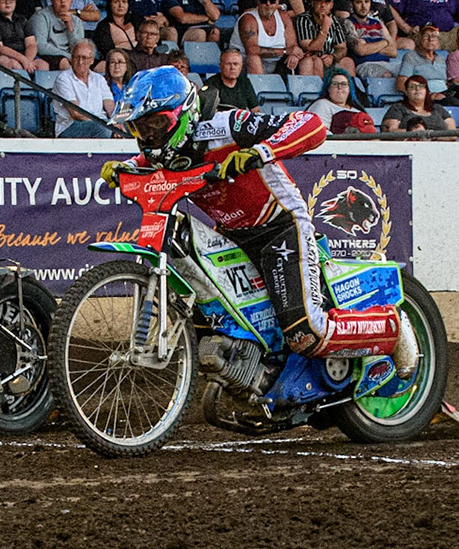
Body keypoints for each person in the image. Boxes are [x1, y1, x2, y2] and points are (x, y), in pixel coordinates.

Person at [101, 66, 415, 370]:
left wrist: (260, 152)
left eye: (156, 124)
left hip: (280, 227)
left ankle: (392, 327)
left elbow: (312, 125)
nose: (149, 135)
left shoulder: (227, 125)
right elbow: (145, 161)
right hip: (231, 236)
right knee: (215, 322)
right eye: (140, 128)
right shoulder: (163, 151)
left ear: (183, 113)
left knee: (306, 334)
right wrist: (125, 167)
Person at [53, 39, 115, 136]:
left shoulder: (99, 79)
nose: (80, 62)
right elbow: (75, 113)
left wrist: (117, 123)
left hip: (101, 124)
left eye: (84, 58)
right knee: (102, 129)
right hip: (72, 127)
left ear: (92, 60)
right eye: (76, 57)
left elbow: (110, 106)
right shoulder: (63, 78)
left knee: (128, 128)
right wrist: (107, 125)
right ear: (71, 58)